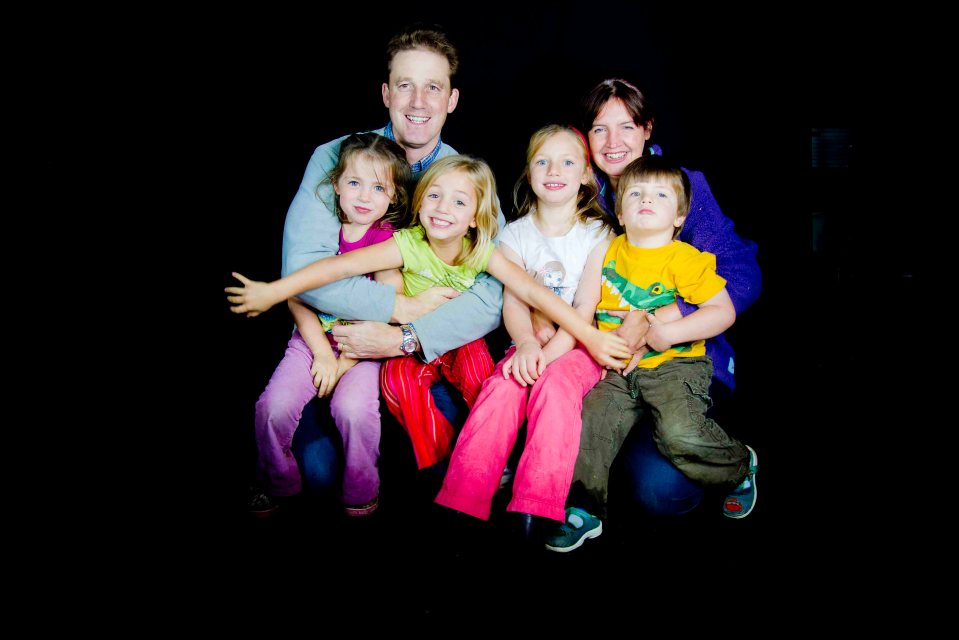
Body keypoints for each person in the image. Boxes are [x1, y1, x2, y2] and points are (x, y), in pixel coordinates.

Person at [227, 155, 633, 469]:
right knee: (397, 385)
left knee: (483, 378)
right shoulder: (406, 244)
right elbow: (337, 267)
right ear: (420, 201)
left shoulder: (481, 252)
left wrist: (590, 335)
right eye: (434, 195)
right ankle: (446, 462)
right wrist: (274, 291)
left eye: (459, 201)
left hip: (459, 339)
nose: (442, 208)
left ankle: (493, 457)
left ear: (474, 218)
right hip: (408, 343)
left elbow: (533, 291)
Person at [272, 24, 507, 502]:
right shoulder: (335, 158)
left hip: (426, 354)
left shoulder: (466, 179)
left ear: (452, 100)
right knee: (320, 474)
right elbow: (303, 270)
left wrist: (406, 336)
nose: (418, 102)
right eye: (405, 85)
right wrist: (398, 308)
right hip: (340, 344)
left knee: (437, 466)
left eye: (433, 87)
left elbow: (493, 292)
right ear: (385, 93)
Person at [544, 78, 763, 551]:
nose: (613, 141)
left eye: (627, 126)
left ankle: (731, 463)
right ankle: (585, 505)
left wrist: (661, 317)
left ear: (647, 129)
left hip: (678, 360)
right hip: (607, 362)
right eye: (600, 129)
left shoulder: (677, 186)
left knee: (660, 490)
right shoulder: (576, 188)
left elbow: (741, 274)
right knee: (587, 426)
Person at [434, 125, 618, 534]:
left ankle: (536, 504)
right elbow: (514, 301)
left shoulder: (598, 234)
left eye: (567, 162)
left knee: (555, 386)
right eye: (542, 161)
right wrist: (525, 345)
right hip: (530, 342)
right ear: (529, 171)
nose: (554, 170)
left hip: (579, 348)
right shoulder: (514, 234)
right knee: (502, 385)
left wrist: (548, 356)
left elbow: (585, 307)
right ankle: (463, 497)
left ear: (586, 174)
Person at [249, 133, 411, 518]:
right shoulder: (321, 234)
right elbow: (296, 293)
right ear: (336, 185)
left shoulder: (386, 243)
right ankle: (276, 480)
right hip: (311, 340)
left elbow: (390, 308)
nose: (364, 196)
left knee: (355, 411)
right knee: (272, 407)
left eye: (378, 187)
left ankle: (361, 489)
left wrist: (342, 362)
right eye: (354, 182)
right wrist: (322, 353)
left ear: (393, 197)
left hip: (361, 349)